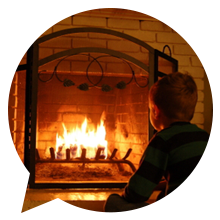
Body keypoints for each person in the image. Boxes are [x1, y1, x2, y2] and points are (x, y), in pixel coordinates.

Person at [104, 72, 214, 214]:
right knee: (163, 197)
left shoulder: (163, 140)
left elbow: (137, 193)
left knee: (113, 203)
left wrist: (125, 195)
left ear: (155, 111)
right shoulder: (207, 138)